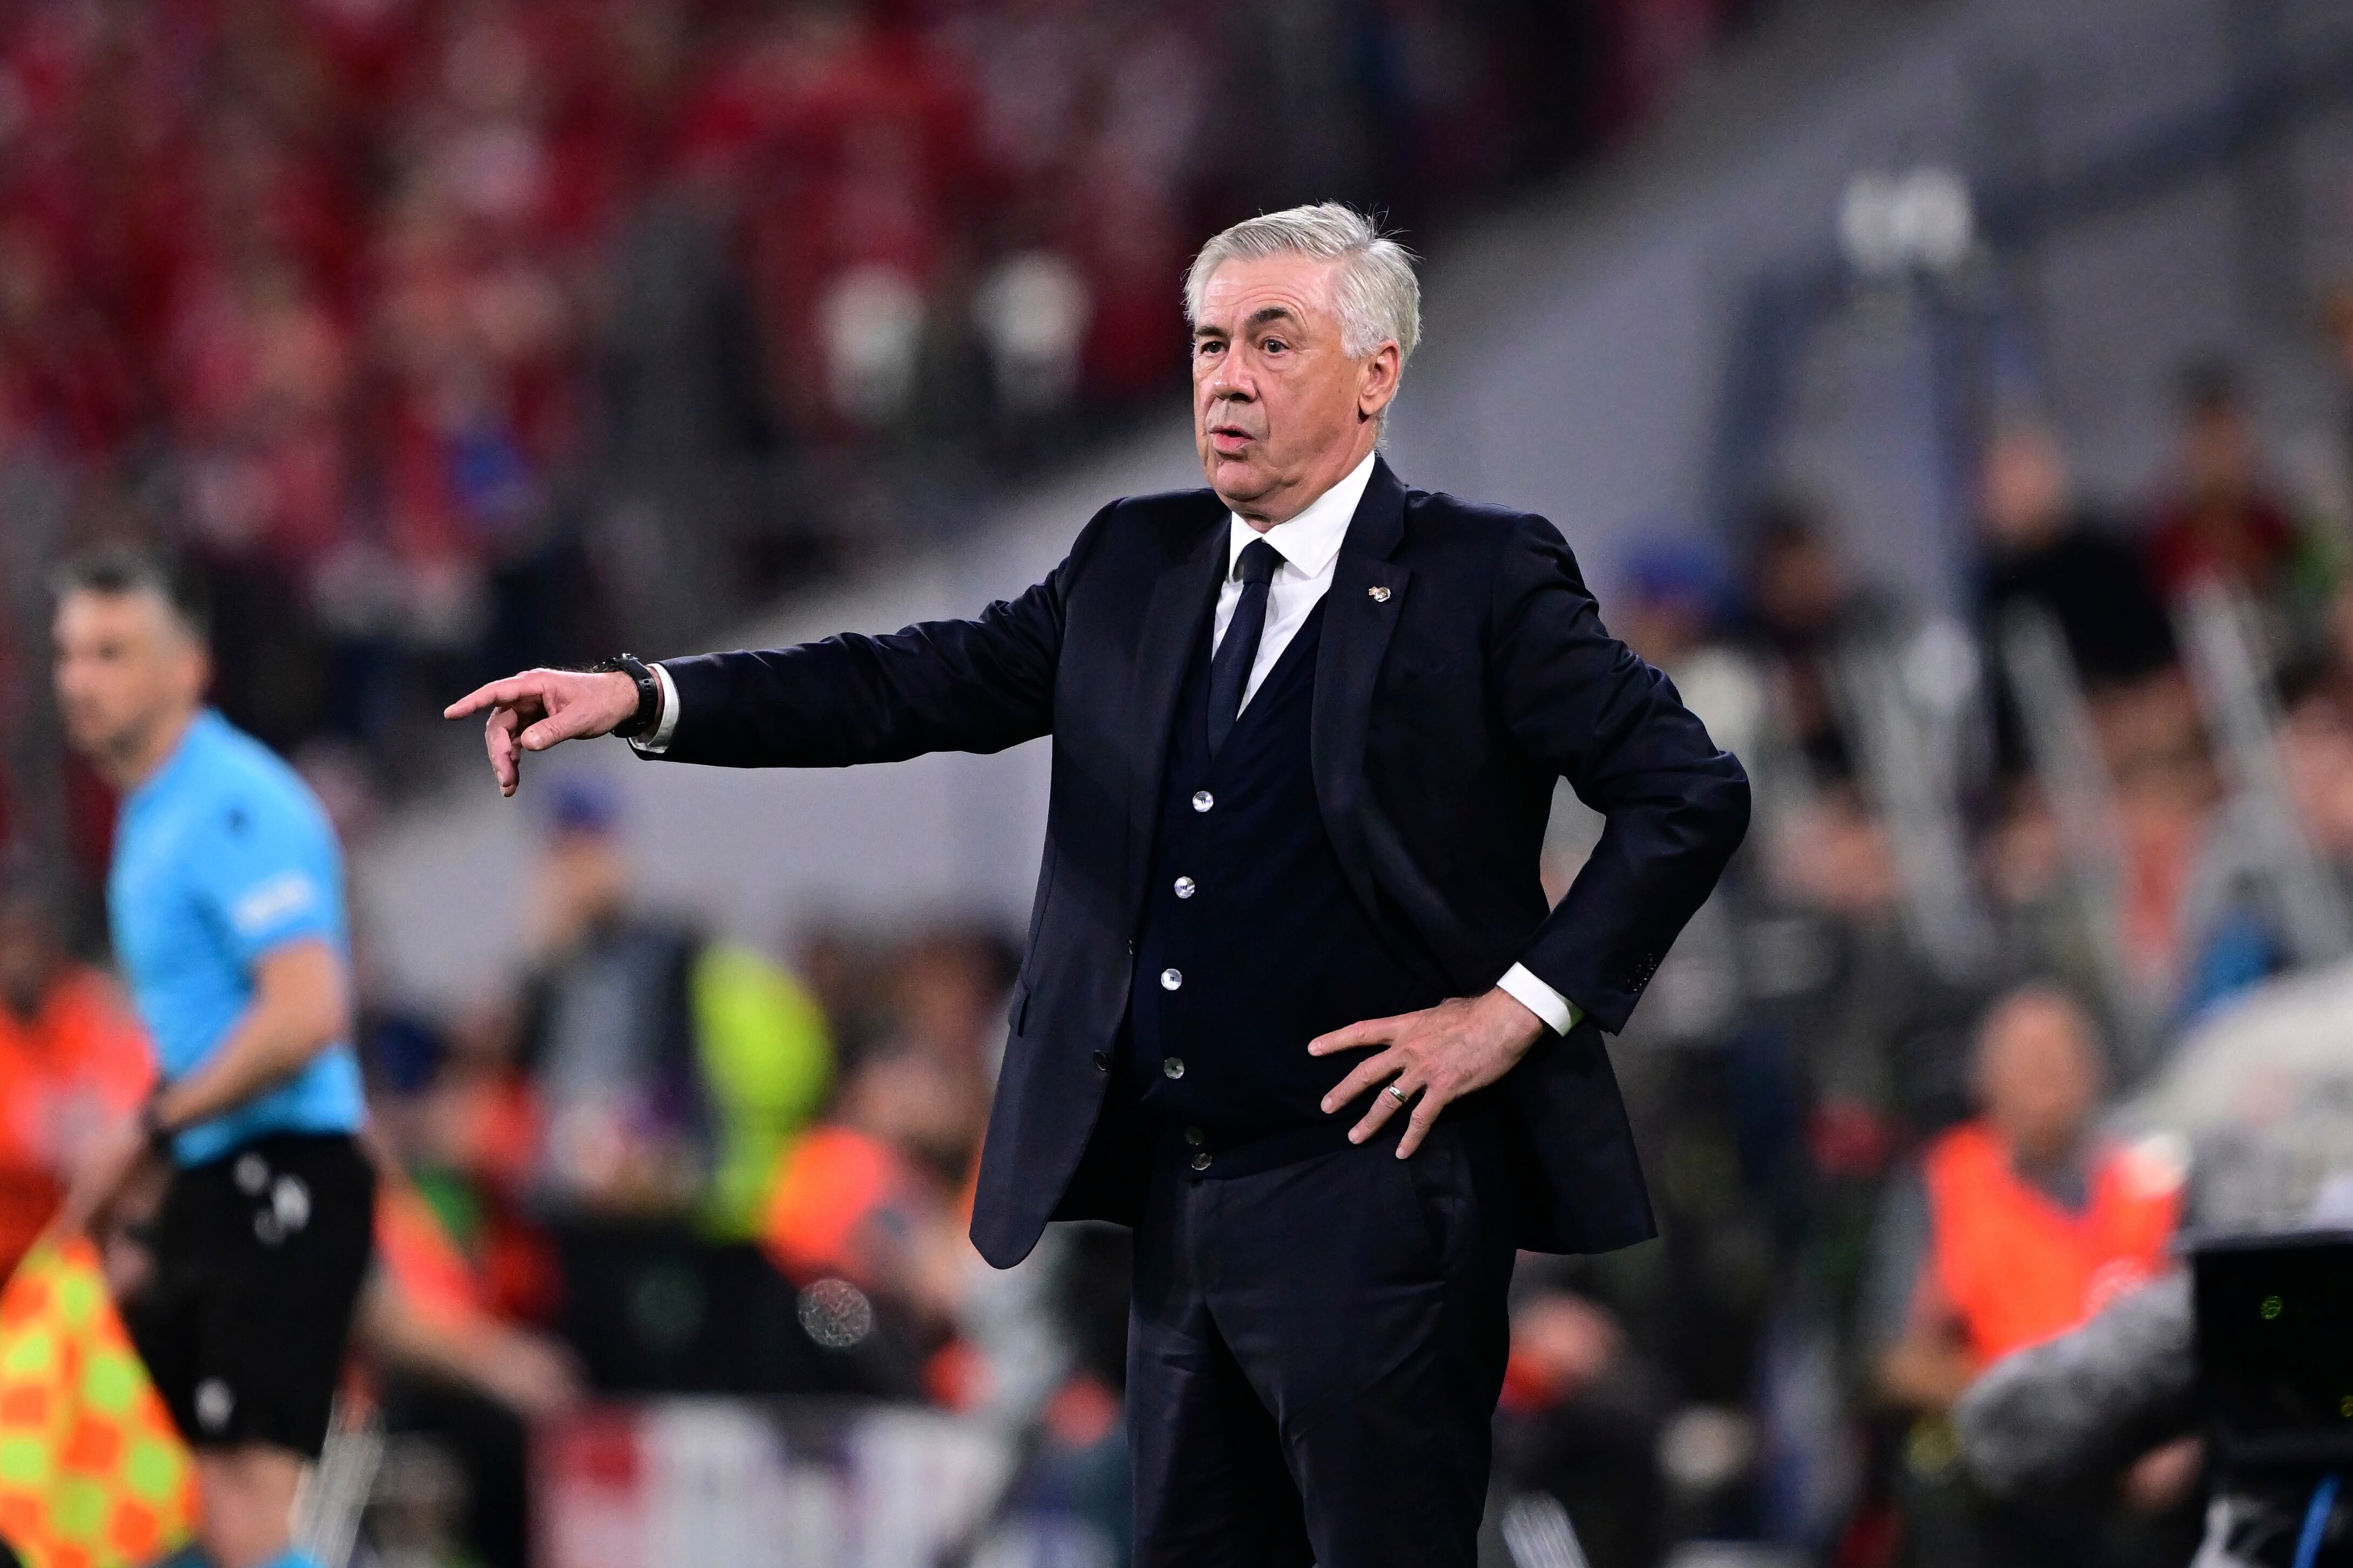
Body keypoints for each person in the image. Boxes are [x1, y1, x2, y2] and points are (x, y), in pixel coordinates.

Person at [447, 202, 1752, 1565]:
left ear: (1377, 376)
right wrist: (648, 694)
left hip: (1381, 1196)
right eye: (1205, 345)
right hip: (1173, 1208)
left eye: (1270, 342)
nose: (1226, 379)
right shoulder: (1133, 559)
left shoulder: (1479, 577)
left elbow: (1686, 790)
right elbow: (907, 680)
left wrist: (1514, 1009)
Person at [51, 549, 375, 1568]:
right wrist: (150, 1189)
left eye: (112, 652)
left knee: (242, 1518)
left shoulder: (232, 802)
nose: (80, 679)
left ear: (187, 667)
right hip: (218, 1179)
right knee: (136, 1502)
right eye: (69, 653)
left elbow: (307, 1011)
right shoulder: (152, 818)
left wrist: (149, 1131)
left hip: (283, 1171)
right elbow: (206, 1036)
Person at [0, 872, 154, 1280]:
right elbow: (19, 1144)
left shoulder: (89, 1006)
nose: (17, 957)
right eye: (7, 940)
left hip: (82, 1249)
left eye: (28, 939)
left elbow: (136, 1100)